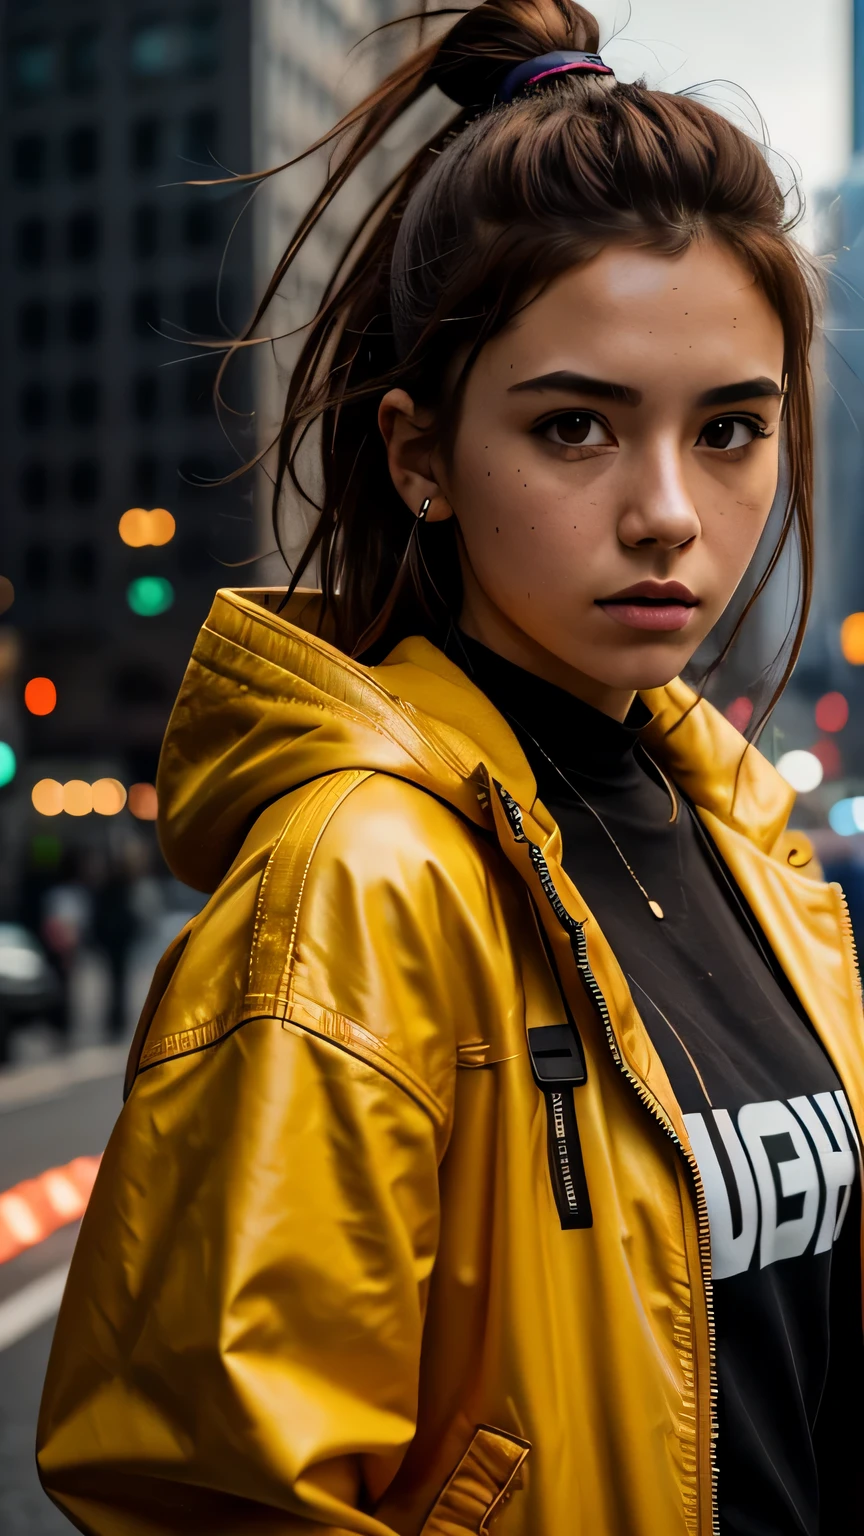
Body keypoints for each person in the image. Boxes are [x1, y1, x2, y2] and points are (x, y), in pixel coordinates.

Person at [36, 5, 864, 1532]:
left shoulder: (757, 846)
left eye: (733, 429)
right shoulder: (355, 883)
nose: (671, 513)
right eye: (576, 430)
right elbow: (209, 1490)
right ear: (421, 455)